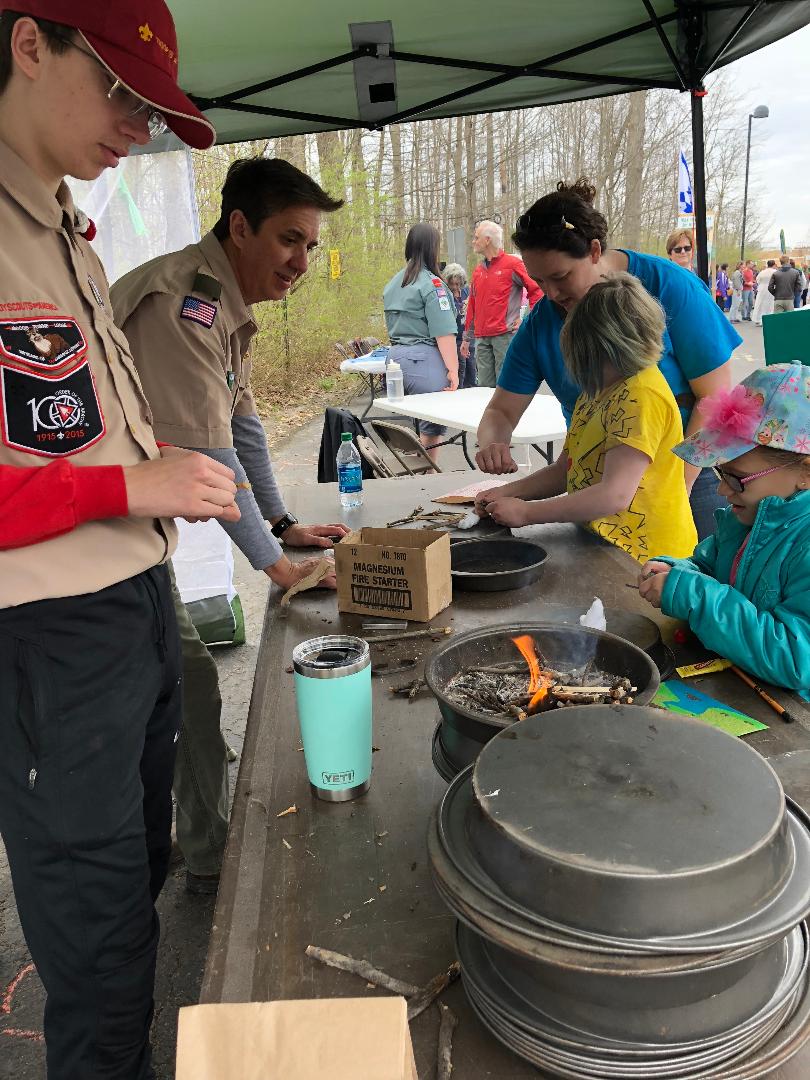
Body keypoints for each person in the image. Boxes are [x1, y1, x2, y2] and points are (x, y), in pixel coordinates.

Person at [0, 4, 242, 1078]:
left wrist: (147, 472)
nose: (139, 129)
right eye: (120, 92)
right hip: (48, 635)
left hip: (134, 605)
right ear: (29, 45)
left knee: (133, 891)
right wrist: (127, 484)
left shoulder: (63, 227)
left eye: (154, 110)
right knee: (98, 959)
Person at [112, 156, 349, 893]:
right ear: (239, 227)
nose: (301, 262)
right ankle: (204, 862)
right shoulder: (186, 304)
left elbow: (243, 429)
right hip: (94, 541)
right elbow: (208, 457)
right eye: (289, 240)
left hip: (132, 536)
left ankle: (201, 843)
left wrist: (282, 524)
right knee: (181, 690)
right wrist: (276, 567)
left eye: (310, 245)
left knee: (185, 687)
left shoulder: (223, 306)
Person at [475, 180, 741, 540]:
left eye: (560, 276)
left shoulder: (670, 289)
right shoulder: (590, 392)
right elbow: (555, 457)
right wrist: (506, 484)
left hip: (679, 475)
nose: (550, 294)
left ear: (594, 250)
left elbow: (715, 397)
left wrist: (675, 486)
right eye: (538, 281)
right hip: (600, 501)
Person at [473, 274, 697, 563]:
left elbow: (614, 495)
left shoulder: (642, 396)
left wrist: (527, 513)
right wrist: (507, 492)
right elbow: (566, 470)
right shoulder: (598, 391)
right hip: (606, 546)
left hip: (651, 559)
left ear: (604, 348)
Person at [638, 363, 810, 692]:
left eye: (737, 478)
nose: (722, 490)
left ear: (805, 473)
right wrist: (677, 573)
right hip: (739, 680)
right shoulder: (744, 517)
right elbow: (711, 569)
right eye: (720, 473)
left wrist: (697, 595)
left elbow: (797, 658)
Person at [382, 223, 459, 465]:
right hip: (423, 359)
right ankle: (428, 472)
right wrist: (453, 370)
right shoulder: (432, 284)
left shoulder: (395, 282)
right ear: (432, 248)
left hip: (395, 359)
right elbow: (444, 332)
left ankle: (418, 469)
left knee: (418, 420)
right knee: (433, 423)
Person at [460, 219, 543, 387]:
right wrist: (467, 338)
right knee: (484, 389)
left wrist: (526, 319)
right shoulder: (478, 271)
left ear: (487, 240)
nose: (473, 242)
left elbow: (538, 290)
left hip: (504, 337)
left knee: (505, 386)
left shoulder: (513, 264)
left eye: (476, 237)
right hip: (481, 339)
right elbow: (473, 306)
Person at [442, 261, 476, 387]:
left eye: (457, 284)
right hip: (455, 338)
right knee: (461, 370)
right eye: (452, 284)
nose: (455, 287)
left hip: (469, 336)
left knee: (472, 369)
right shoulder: (445, 295)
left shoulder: (467, 291)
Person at [752, 259, 777, 325]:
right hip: (771, 288)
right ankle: (769, 319)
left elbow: (757, 280)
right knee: (770, 304)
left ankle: (759, 319)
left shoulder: (762, 272)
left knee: (760, 303)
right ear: (774, 265)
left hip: (762, 288)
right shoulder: (775, 272)